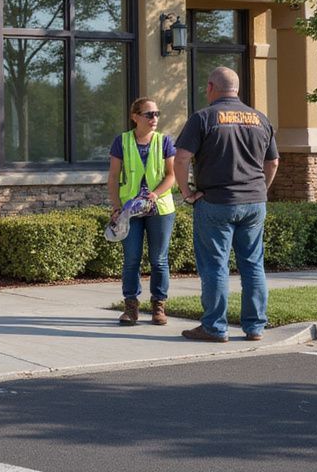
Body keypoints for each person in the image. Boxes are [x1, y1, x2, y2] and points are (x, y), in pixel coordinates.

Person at [173, 66, 279, 343]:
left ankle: (214, 328)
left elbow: (181, 158)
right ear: (237, 89)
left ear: (210, 87)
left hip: (216, 202)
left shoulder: (203, 117)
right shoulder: (260, 119)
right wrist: (260, 189)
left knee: (215, 267)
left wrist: (186, 192)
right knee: (253, 265)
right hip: (254, 202)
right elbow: (273, 161)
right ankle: (255, 327)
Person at [107, 97, 176, 326]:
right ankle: (131, 307)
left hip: (160, 209)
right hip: (130, 210)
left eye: (157, 113)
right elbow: (114, 177)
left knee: (159, 260)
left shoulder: (164, 141)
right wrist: (116, 207)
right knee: (132, 259)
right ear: (135, 117)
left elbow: (171, 175)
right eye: (149, 114)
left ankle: (159, 306)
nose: (154, 118)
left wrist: (155, 194)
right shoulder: (122, 141)